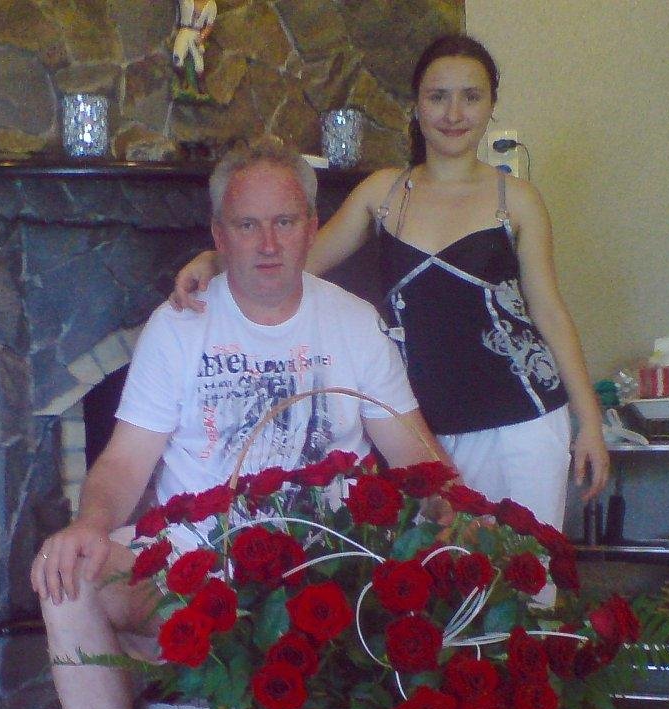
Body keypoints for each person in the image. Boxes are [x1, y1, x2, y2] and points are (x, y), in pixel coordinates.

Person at [30, 137, 555, 709]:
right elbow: (125, 461)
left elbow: (413, 450)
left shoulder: (351, 323)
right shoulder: (179, 328)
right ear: (219, 233)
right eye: (247, 224)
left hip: (329, 581)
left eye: (284, 221)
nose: (268, 243)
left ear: (312, 226)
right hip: (193, 577)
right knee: (68, 583)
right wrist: (91, 524)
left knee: (457, 570)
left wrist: (461, 516)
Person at [172, 34, 610, 542]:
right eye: (438, 96)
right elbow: (295, 259)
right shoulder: (383, 192)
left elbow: (549, 313)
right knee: (440, 578)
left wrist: (590, 424)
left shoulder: (517, 199)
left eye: (471, 96)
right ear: (416, 106)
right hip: (420, 432)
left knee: (525, 572)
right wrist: (214, 258)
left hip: (521, 421)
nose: (453, 113)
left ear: (491, 105)